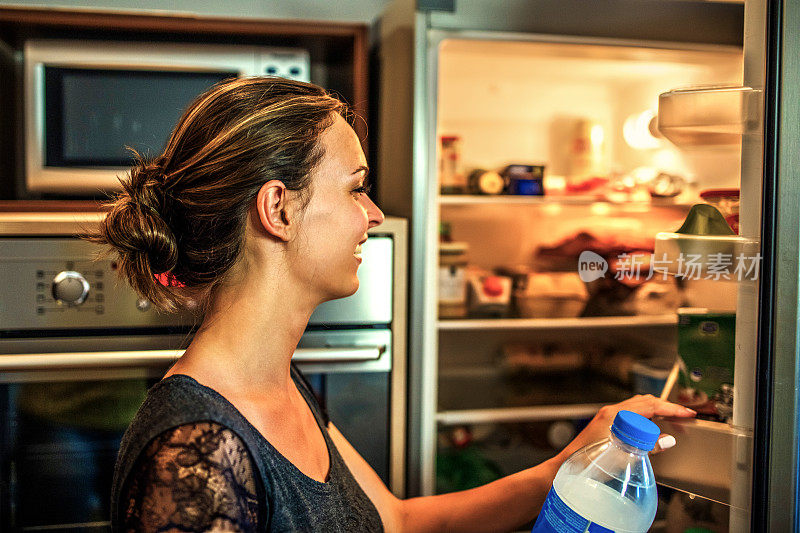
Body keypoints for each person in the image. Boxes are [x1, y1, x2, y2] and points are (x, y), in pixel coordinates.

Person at [96, 77, 694, 532]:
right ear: (277, 209)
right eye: (356, 187)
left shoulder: (277, 385)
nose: (375, 214)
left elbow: (397, 521)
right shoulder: (194, 452)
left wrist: (572, 463)